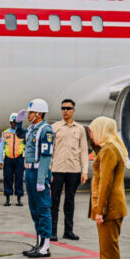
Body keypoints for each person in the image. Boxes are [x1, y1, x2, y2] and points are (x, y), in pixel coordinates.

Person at [87, 116, 130, 259]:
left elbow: (105, 183)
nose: (90, 134)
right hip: (112, 205)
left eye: (93, 130)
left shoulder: (109, 151)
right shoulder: (112, 148)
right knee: (108, 247)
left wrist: (100, 211)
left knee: (108, 249)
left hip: (109, 207)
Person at [19, 98, 54, 258]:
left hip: (39, 171)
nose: (29, 115)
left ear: (39, 113)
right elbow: (21, 135)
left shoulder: (46, 130)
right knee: (34, 210)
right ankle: (39, 242)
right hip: (30, 172)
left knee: (43, 209)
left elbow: (46, 157)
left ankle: (45, 246)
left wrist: (41, 180)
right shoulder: (33, 128)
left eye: (31, 112)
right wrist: (17, 123)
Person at [50, 99, 89, 241]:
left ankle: (68, 230)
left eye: (68, 108)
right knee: (54, 201)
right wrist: (49, 170)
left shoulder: (79, 129)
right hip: (57, 169)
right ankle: (52, 231)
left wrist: (84, 171)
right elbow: (50, 151)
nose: (65, 110)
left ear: (74, 110)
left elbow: (84, 151)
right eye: (63, 108)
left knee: (70, 201)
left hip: (74, 169)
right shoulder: (54, 127)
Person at [0, 112, 25, 207]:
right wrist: (0, 160)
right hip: (8, 159)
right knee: (7, 178)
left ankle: (19, 199)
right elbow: (1, 147)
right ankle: (7, 198)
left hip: (19, 158)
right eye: (12, 122)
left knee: (19, 179)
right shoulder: (5, 133)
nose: (14, 124)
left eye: (16, 122)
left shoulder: (22, 133)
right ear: (10, 122)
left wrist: (28, 161)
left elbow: (28, 147)